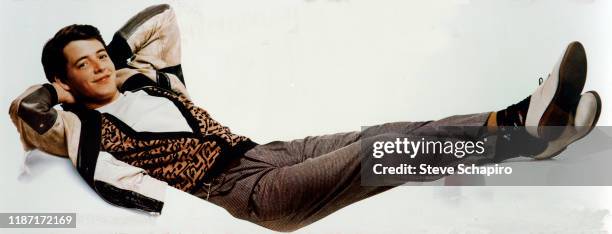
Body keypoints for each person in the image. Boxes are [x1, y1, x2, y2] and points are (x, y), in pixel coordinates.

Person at [8, 4, 602, 232]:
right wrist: (58, 94)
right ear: (66, 81)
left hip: (263, 152)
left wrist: (111, 52)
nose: (101, 70)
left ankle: (527, 125)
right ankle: (530, 132)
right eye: (84, 67)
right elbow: (24, 112)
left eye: (101, 59)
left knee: (384, 134)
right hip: (251, 193)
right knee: (380, 157)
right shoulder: (88, 132)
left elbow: (162, 18)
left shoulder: (151, 77)